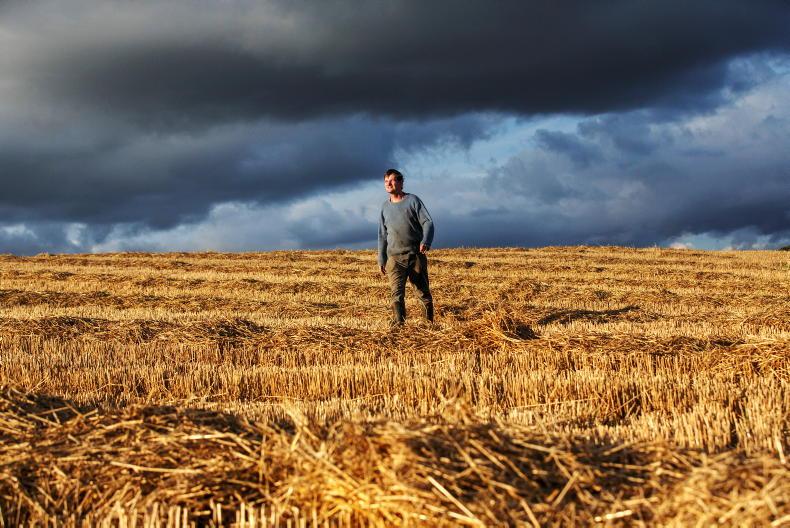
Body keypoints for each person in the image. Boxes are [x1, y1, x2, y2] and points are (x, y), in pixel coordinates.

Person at [377, 168, 434, 326]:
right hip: (394, 258)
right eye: (386, 181)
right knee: (396, 294)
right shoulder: (384, 207)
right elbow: (382, 234)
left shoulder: (413, 201)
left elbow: (428, 222)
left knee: (422, 292)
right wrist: (381, 258)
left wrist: (426, 241)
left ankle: (428, 325)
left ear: (401, 182)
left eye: (393, 180)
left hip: (415, 255)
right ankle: (399, 325)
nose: (389, 183)